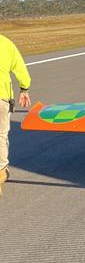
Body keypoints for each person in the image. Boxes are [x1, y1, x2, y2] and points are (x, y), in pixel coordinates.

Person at [0, 34, 31, 195]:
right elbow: (20, 68)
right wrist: (24, 88)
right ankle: (1, 172)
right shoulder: (5, 43)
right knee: (1, 136)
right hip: (1, 97)